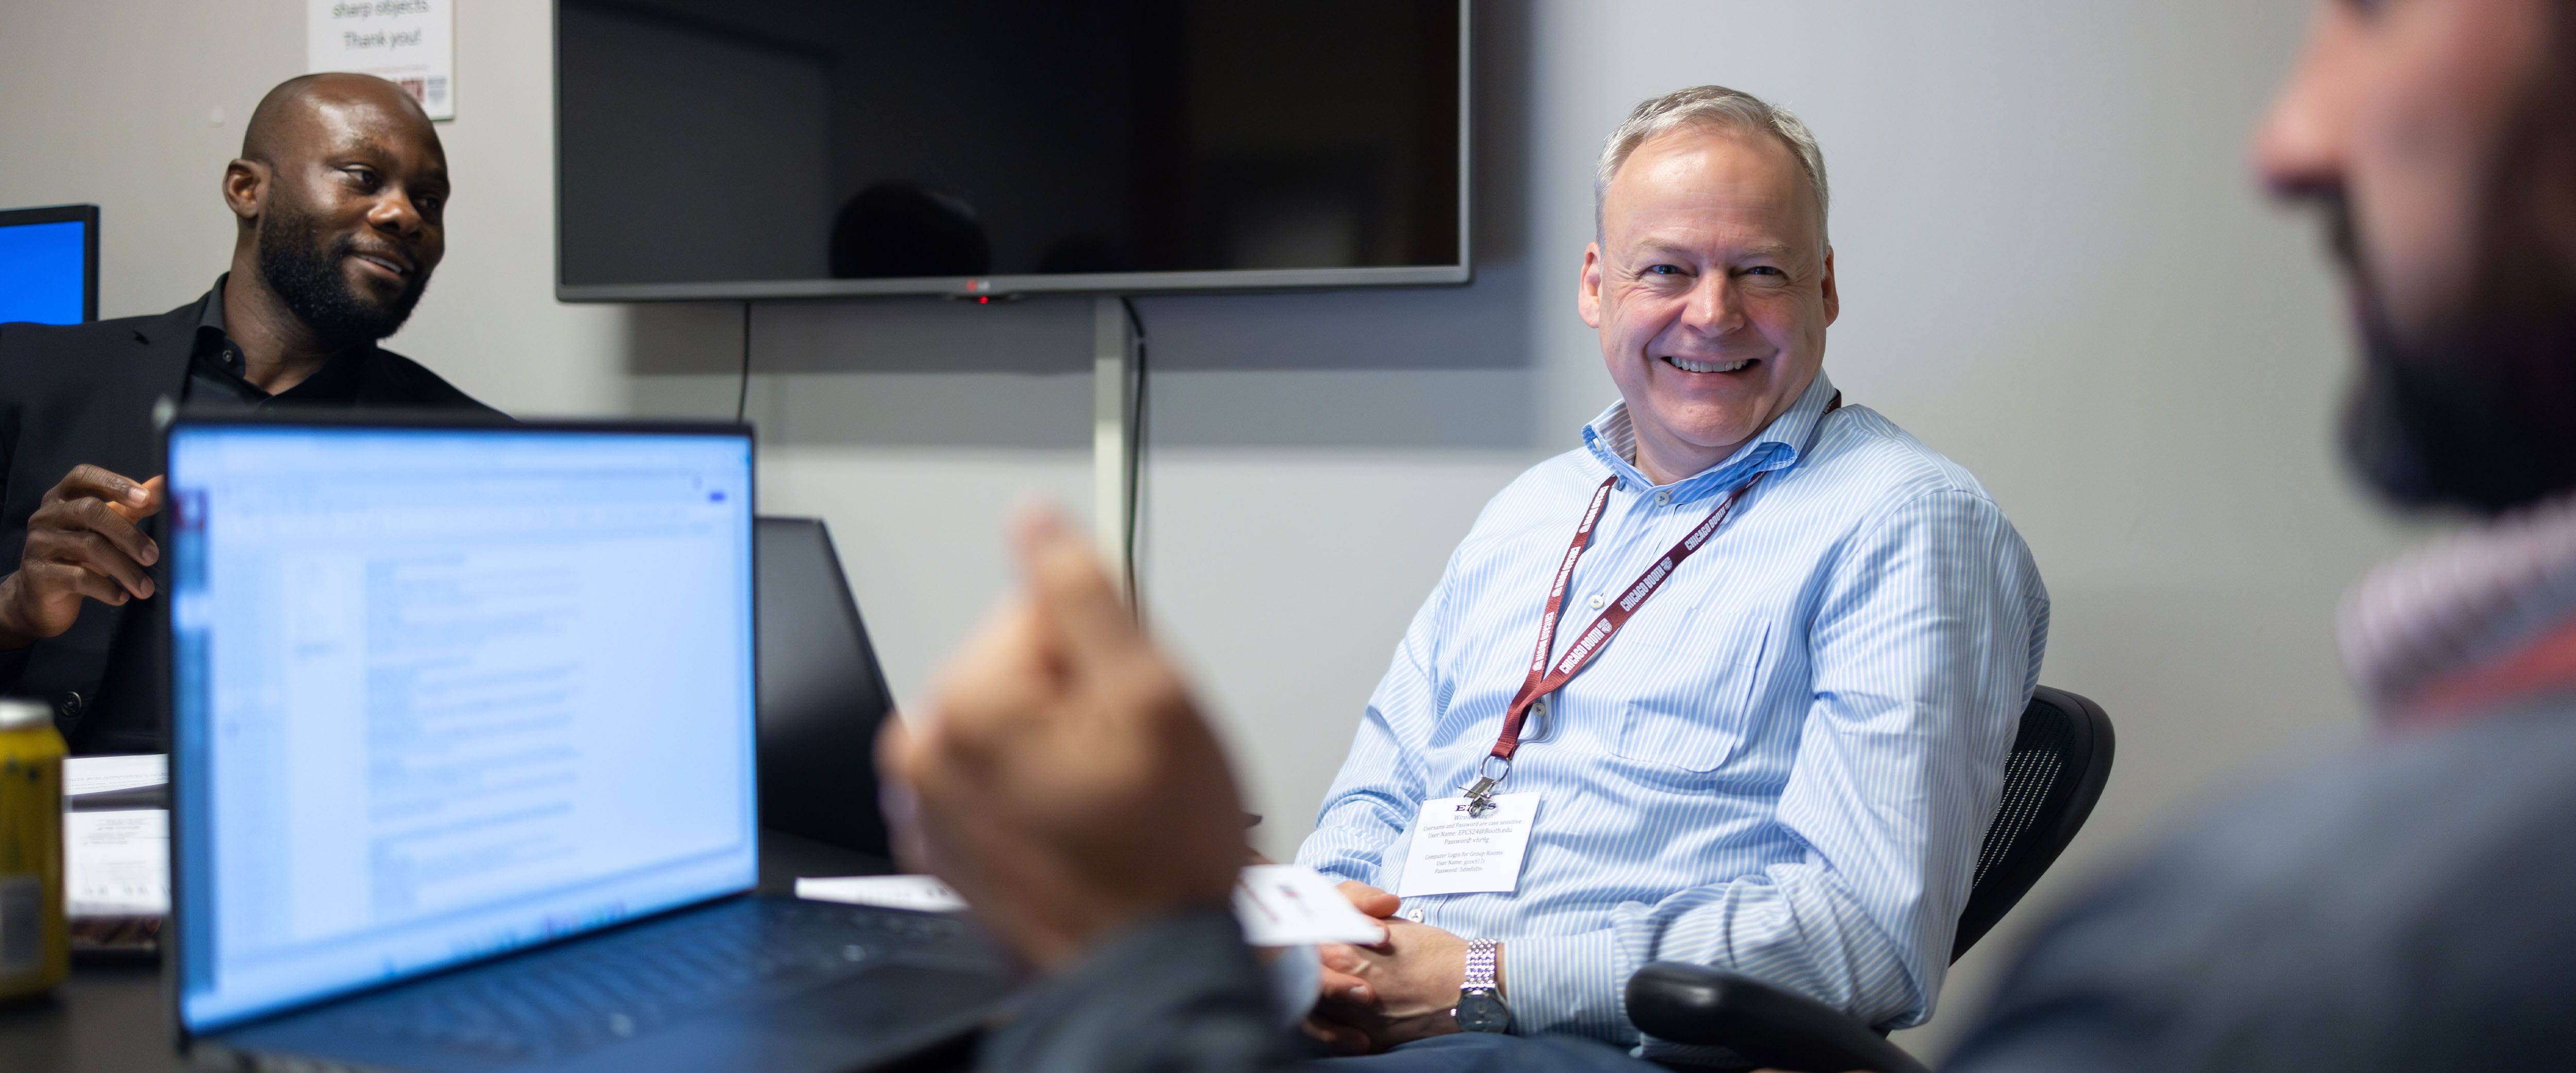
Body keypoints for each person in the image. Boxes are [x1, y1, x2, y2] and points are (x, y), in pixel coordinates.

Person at [1291, 86, 2049, 1062]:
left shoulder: (1906, 526)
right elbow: (1376, 803)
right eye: (1667, 270)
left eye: (1760, 271)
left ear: (1824, 289)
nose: (1712, 313)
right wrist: (1311, 946)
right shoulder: (1527, 515)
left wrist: (1475, 982)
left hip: (1589, 1051)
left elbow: (1863, 938)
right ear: (1597, 287)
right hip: (1381, 1026)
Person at [0, 73, 498, 753]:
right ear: (246, 189)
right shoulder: (31, 374)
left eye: (429, 201)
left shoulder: (475, 449)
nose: (404, 214)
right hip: (59, 825)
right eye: (363, 176)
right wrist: (17, 609)